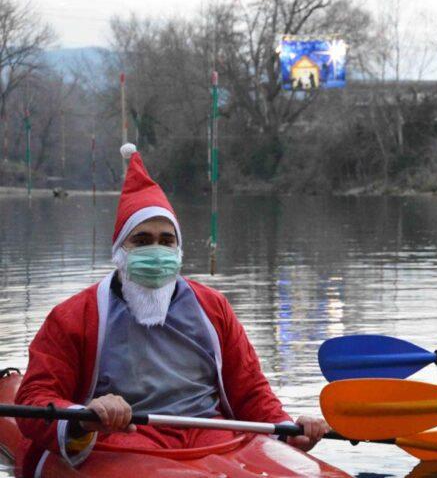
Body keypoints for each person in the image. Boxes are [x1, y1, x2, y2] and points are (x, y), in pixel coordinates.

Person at [14, 144, 328, 475]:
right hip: (126, 437)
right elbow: (36, 398)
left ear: (178, 249)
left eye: (166, 241)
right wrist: (83, 413)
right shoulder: (74, 316)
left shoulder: (213, 307)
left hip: (211, 434)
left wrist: (287, 429)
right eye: (142, 240)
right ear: (121, 249)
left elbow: (249, 391)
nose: (157, 250)